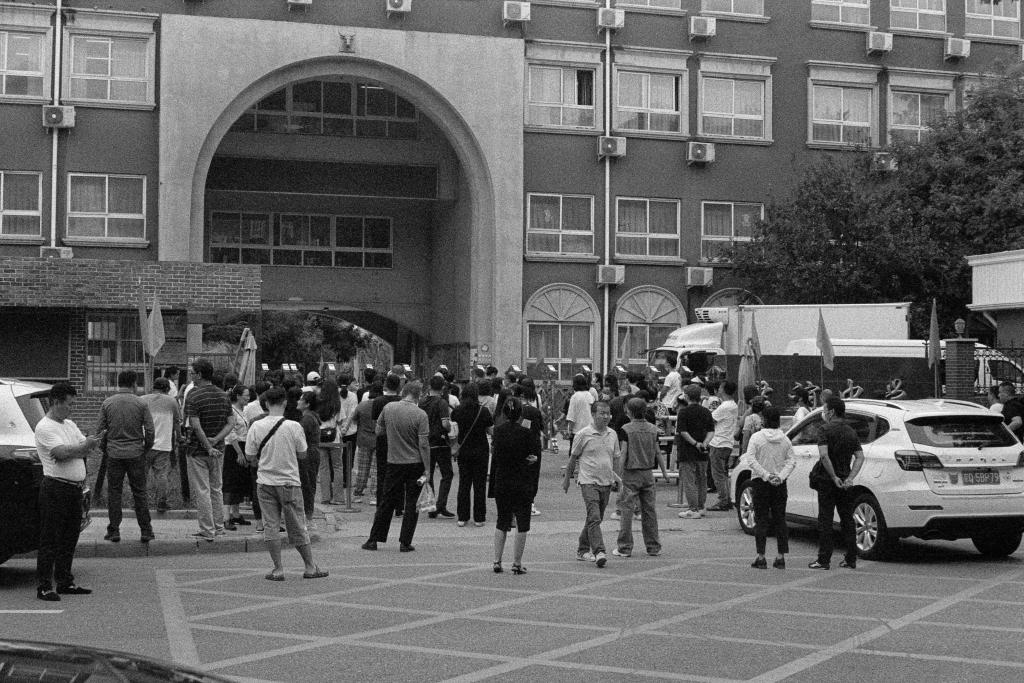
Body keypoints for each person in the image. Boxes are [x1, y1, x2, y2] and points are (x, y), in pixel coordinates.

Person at [244, 387, 327, 581]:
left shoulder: (256, 426)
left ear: (265, 404)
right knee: (297, 525)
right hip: (289, 481)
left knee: (271, 526)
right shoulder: (294, 426)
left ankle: (278, 569)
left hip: (265, 482)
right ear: (284, 403)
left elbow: (249, 455)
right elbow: (303, 453)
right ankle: (309, 566)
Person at [35, 383, 101, 601]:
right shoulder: (45, 427)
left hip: (74, 489)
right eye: (69, 404)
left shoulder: (70, 424)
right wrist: (85, 447)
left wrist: (89, 444)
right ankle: (44, 586)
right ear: (56, 402)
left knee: (69, 537)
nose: (72, 409)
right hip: (56, 487)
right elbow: (61, 453)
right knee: (50, 539)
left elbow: (83, 444)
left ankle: (65, 581)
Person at [361, 381, 432, 552]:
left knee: (387, 501)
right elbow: (423, 444)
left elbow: (378, 431)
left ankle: (374, 539)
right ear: (418, 395)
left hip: (393, 462)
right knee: (411, 503)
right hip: (414, 463)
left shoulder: (389, 408)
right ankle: (405, 542)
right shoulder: (421, 415)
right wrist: (428, 468)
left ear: (403, 392)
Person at [97, 370, 155, 543]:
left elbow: (100, 430)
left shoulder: (107, 403)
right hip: (136, 452)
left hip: (114, 453)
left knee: (114, 492)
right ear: (134, 384)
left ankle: (114, 530)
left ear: (119, 383)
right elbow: (150, 430)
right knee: (140, 492)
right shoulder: (141, 403)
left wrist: (105, 448)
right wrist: (146, 446)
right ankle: (146, 530)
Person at [809, 396, 865, 570]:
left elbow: (824, 455)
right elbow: (860, 457)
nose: (824, 413)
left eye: (825, 410)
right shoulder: (851, 431)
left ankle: (824, 559)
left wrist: (833, 477)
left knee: (825, 519)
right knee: (847, 518)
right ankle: (851, 558)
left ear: (831, 412)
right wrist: (850, 477)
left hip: (827, 480)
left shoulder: (824, 430)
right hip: (846, 481)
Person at [562, 401, 620, 568]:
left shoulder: (612, 434)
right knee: (594, 517)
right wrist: (567, 479)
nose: (605, 417)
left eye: (608, 413)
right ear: (593, 415)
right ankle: (599, 551)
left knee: (595, 518)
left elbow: (615, 458)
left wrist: (619, 480)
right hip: (588, 481)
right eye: (601, 413)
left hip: (606, 482)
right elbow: (573, 458)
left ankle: (582, 549)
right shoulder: (583, 434)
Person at [183, 358, 234, 541]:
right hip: (219, 449)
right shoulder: (223, 395)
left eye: (192, 372)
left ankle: (207, 529)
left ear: (200, 374)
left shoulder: (194, 396)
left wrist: (207, 445)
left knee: (202, 490)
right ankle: (219, 527)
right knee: (216, 489)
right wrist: (216, 440)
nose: (190, 375)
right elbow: (231, 422)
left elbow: (195, 426)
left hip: (197, 450)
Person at [489, 398, 541, 574]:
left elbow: (495, 456)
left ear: (504, 412)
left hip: (502, 480)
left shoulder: (498, 431)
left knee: (502, 521)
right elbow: (532, 456)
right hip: (522, 482)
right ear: (520, 414)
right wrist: (531, 460)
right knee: (522, 523)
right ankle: (517, 563)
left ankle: (497, 561)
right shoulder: (526, 433)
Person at [613, 397, 669, 558]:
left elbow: (623, 453)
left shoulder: (626, 429)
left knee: (627, 511)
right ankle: (653, 546)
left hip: (631, 473)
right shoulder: (653, 429)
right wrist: (664, 472)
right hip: (648, 473)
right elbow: (658, 452)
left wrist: (618, 474)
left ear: (628, 411)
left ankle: (624, 547)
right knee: (649, 511)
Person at [746, 407, 796, 569]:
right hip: (779, 483)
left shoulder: (757, 437)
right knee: (780, 519)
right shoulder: (785, 439)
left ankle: (761, 556)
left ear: (764, 420)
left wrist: (765, 475)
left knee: (761, 519)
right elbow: (791, 461)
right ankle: (781, 556)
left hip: (761, 482)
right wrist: (780, 476)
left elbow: (751, 459)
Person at [451, 381, 494, 527]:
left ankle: (462, 517)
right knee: (479, 485)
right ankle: (479, 518)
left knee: (464, 484)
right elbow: (490, 431)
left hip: (464, 451)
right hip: (481, 451)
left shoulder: (457, 411)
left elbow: (454, 432)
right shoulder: (484, 411)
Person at [140, 377, 180, 514]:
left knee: (141, 474)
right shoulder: (172, 401)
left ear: (154, 387)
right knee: (161, 475)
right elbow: (176, 423)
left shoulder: (143, 399)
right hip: (164, 444)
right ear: (167, 389)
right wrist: (179, 438)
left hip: (145, 443)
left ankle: (139, 502)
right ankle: (161, 502)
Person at [675, 385, 714, 519]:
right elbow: (711, 431)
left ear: (686, 396)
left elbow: (683, 432)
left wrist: (694, 443)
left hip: (687, 451)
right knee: (702, 479)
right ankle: (701, 507)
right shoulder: (706, 412)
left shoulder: (683, 412)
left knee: (689, 481)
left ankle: (693, 508)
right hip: (703, 451)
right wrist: (704, 443)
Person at [420, 375, 455, 519]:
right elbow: (445, 423)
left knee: (429, 473)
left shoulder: (422, 402)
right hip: (440, 442)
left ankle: (431, 506)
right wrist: (448, 430)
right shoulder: (442, 403)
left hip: (426, 441)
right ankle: (441, 505)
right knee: (447, 474)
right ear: (442, 388)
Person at [706, 380, 738, 512]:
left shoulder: (724, 407)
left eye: (720, 387)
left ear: (724, 389)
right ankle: (727, 499)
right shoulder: (733, 405)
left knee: (718, 474)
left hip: (718, 442)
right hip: (727, 442)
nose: (718, 389)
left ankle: (723, 500)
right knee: (723, 474)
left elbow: (710, 420)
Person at [222, 384, 251, 529]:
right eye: (246, 395)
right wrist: (239, 452)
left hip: (243, 446)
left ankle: (236, 514)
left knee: (239, 482)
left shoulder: (243, 411)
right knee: (230, 482)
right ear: (238, 396)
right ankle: (226, 517)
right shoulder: (232, 411)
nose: (248, 398)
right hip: (233, 448)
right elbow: (231, 433)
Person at [371, 374, 403, 506]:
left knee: (382, 472)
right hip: (399, 440)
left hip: (382, 440)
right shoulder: (401, 401)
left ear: (385, 385)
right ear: (399, 386)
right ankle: (399, 505)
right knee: (400, 473)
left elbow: (375, 423)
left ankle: (381, 502)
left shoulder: (378, 401)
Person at [351, 383, 382, 504]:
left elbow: (354, 420)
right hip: (377, 439)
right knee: (375, 469)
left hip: (363, 439)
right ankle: (374, 496)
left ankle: (358, 494)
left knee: (363, 468)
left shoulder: (362, 405)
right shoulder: (382, 406)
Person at [315, 378, 343, 505]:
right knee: (337, 467)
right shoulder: (337, 404)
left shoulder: (317, 403)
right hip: (334, 437)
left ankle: (325, 497)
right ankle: (338, 498)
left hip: (320, 437)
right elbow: (340, 421)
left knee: (323, 467)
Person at [297, 391, 321, 525]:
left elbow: (299, 438)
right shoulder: (311, 417)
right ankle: (308, 514)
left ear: (307, 404)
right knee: (309, 484)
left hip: (308, 454)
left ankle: (308, 516)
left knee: (307, 484)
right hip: (312, 453)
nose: (298, 401)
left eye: (301, 399)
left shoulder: (307, 419)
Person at [565, 373, 595, 450]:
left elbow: (572, 416)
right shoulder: (589, 395)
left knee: (575, 455)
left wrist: (570, 430)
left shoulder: (575, 397)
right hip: (590, 430)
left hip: (577, 431)